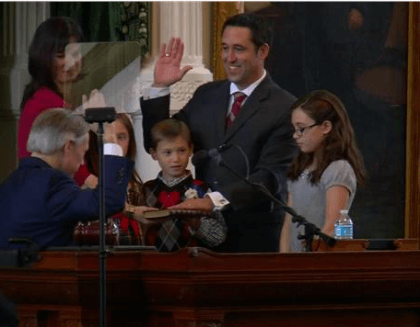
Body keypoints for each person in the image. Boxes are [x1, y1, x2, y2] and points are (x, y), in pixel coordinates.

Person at [140, 13, 297, 252]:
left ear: (262, 51)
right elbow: (162, 141)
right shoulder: (206, 95)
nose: (229, 58)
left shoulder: (284, 107)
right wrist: (160, 88)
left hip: (252, 240)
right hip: (200, 240)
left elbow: (270, 178)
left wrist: (212, 201)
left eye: (239, 49)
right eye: (225, 48)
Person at [0, 109, 133, 249]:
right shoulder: (52, 182)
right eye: (83, 152)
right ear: (68, 146)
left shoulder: (10, 183)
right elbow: (108, 201)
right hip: (46, 270)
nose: (82, 163)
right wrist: (110, 140)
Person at [280, 90, 365, 252]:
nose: (295, 136)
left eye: (302, 129)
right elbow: (288, 222)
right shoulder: (300, 167)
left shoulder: (338, 168)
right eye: (294, 129)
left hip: (320, 261)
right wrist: (283, 259)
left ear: (326, 127)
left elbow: (333, 224)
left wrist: (312, 262)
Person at [18, 16, 95, 188]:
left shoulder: (73, 95)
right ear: (43, 58)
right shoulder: (45, 101)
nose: (71, 63)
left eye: (75, 54)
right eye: (61, 56)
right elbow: (74, 167)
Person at [142, 119, 227, 252]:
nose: (176, 159)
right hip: (151, 265)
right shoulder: (146, 190)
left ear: (190, 149)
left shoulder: (202, 190)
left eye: (181, 150)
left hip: (191, 264)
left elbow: (218, 237)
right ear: (154, 154)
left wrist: (196, 224)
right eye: (167, 152)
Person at [84, 113, 156, 244]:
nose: (115, 143)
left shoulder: (138, 188)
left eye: (121, 137)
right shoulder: (89, 184)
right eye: (107, 139)